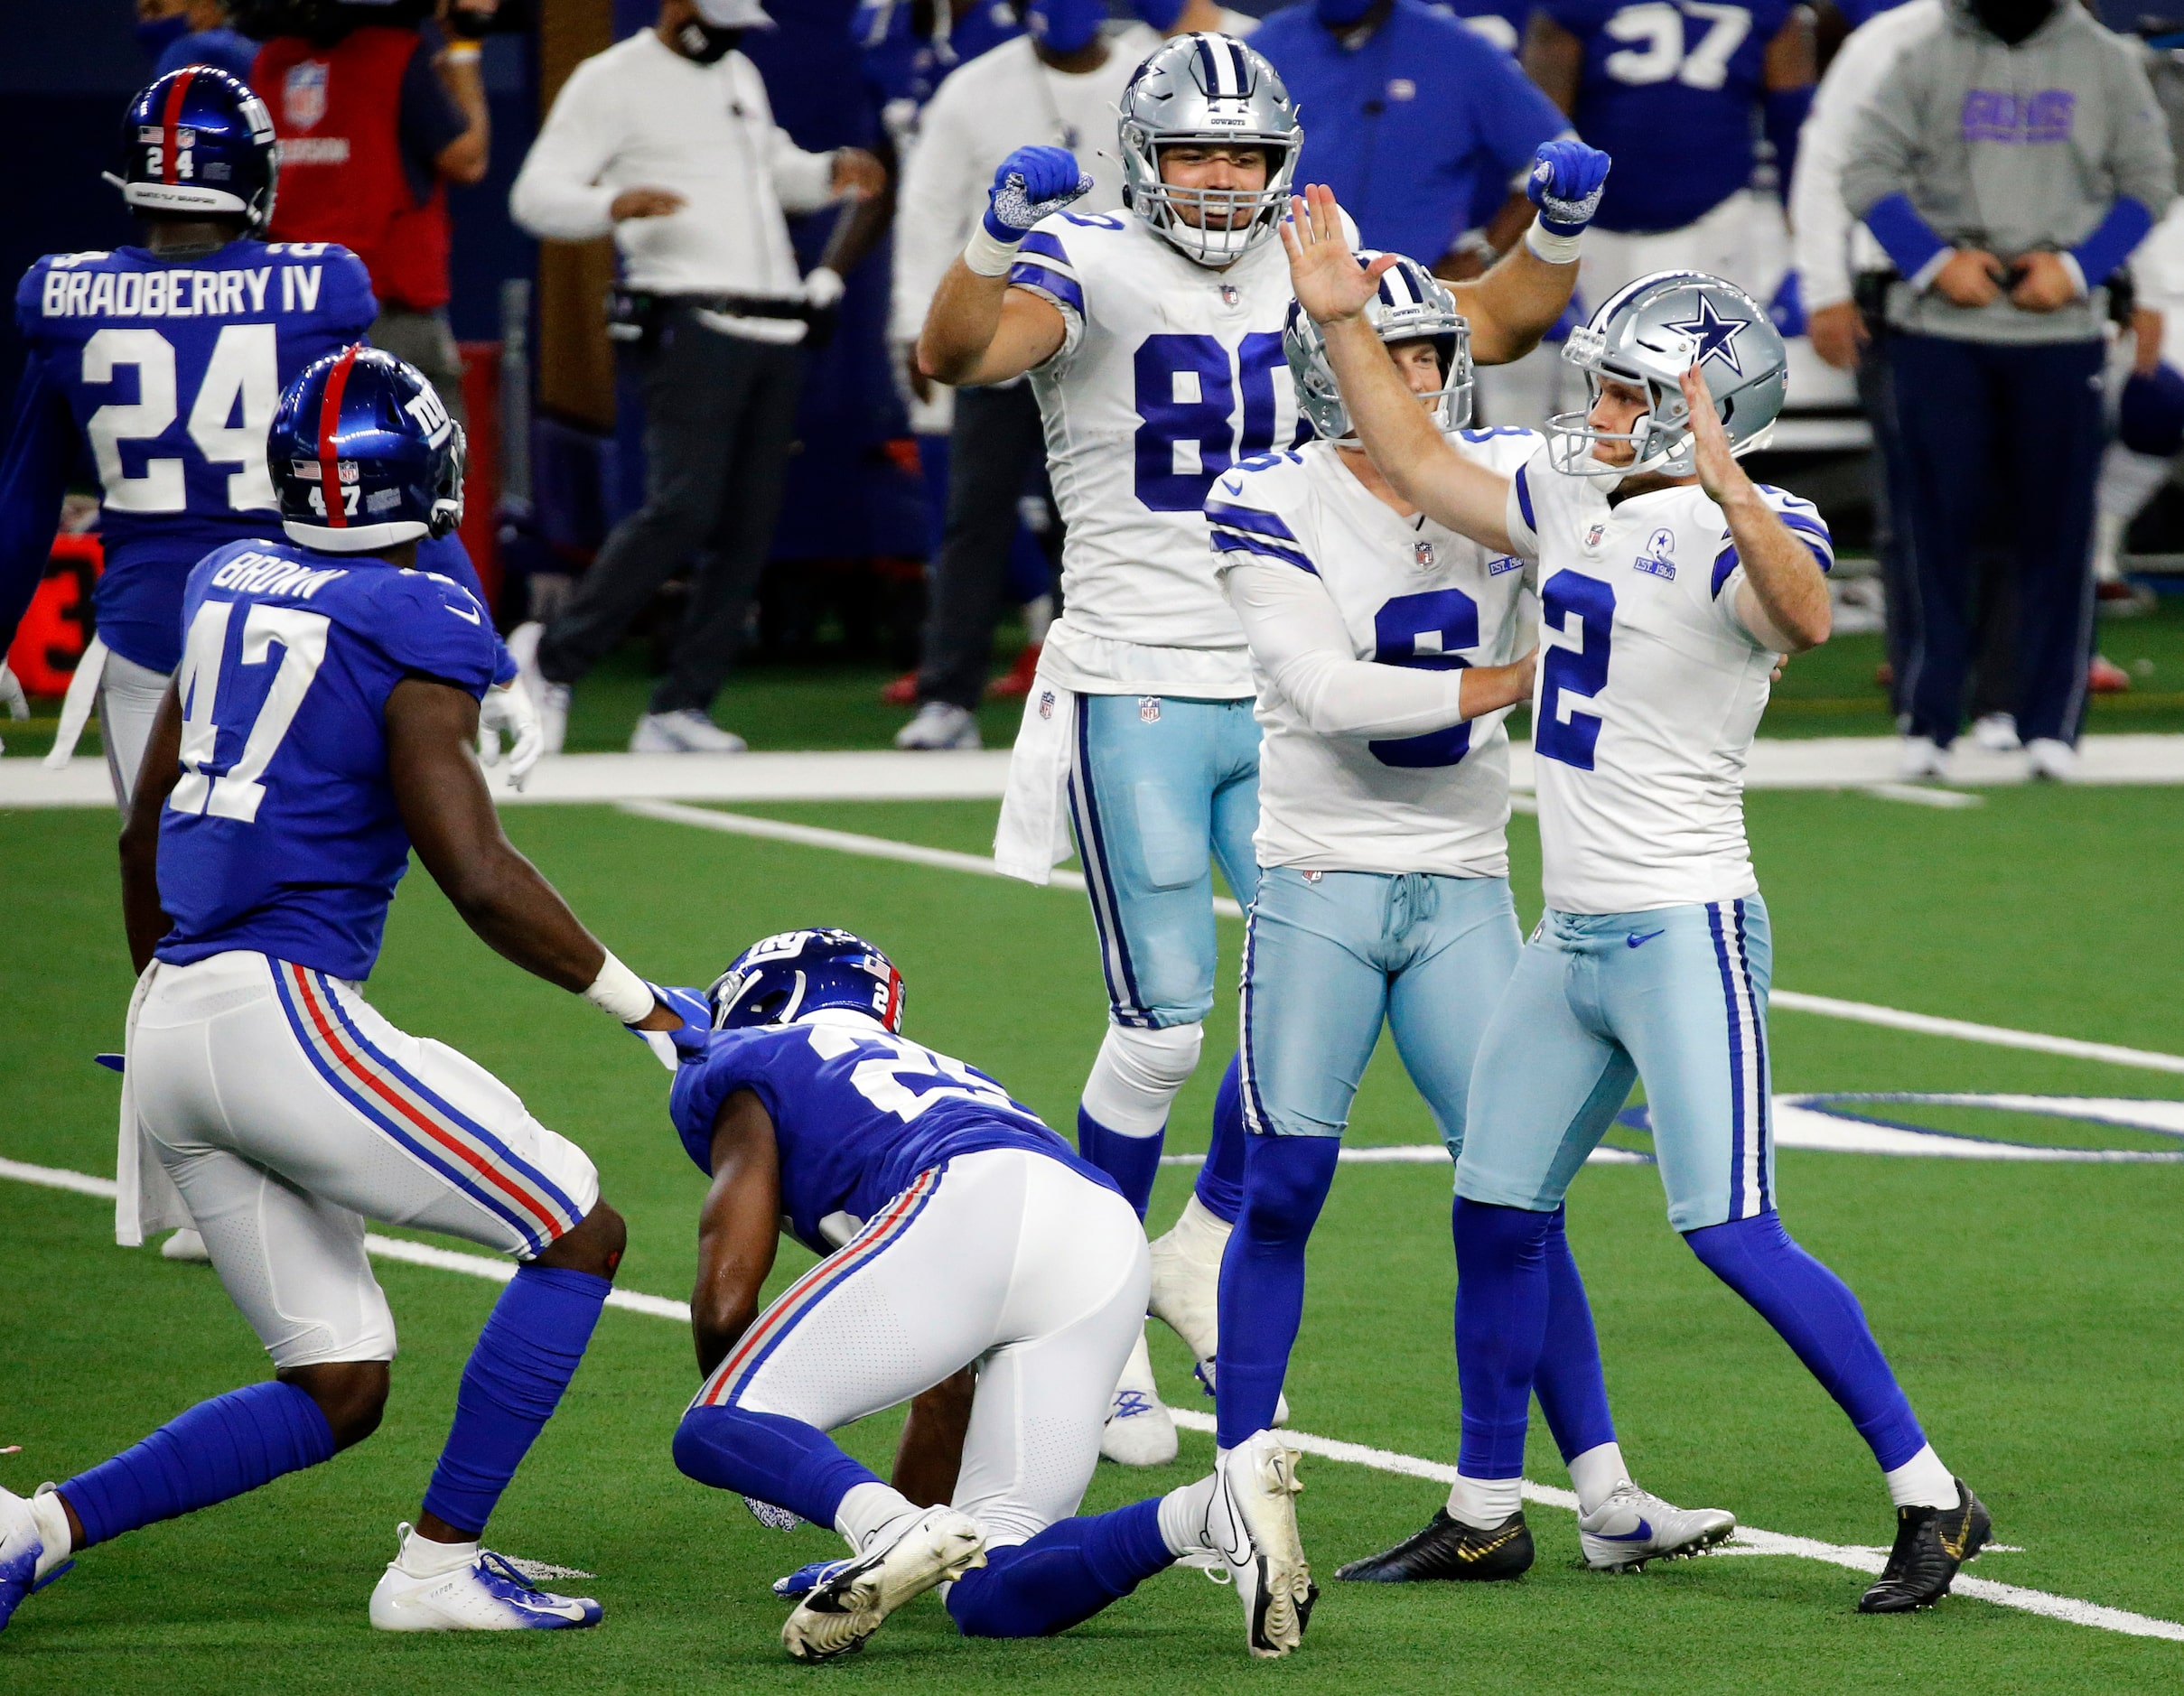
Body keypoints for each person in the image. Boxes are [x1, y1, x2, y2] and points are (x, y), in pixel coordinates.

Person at [1287, 196, 1992, 1613]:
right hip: (1573, 934)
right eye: (1599, 383)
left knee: (1727, 1226)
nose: (1593, 409)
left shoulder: (1757, 523)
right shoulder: (1566, 494)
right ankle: (1487, 1508)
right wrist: (1339, 317)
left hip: (1682, 923)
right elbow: (1417, 455)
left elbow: (1799, 619)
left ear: (1704, 410)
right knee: (1492, 1213)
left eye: (1625, 390)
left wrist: (1729, 486)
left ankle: (1930, 1493)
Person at [927, 32, 1601, 1468]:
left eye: (1244, 152)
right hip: (1144, 675)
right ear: (1142, 155)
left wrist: (1554, 227)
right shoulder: (1085, 254)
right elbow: (962, 353)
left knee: (1304, 1008)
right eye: (1195, 153)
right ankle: (1087, 1321)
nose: (1223, 180)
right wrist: (990, 236)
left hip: (1297, 685)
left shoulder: (1322, 242)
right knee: (1165, 1023)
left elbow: (1492, 322)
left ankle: (1201, 1242)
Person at [0, 347, 684, 1635]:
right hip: (277, 1009)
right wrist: (640, 1003)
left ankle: (37, 1526)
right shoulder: (415, 614)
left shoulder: (218, 579)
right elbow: (474, 872)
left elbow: (141, 828)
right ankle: (433, 1568)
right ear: (429, 476)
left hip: (174, 1011)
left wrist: (162, 997)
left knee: (337, 1380)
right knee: (577, 1229)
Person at [1207, 249, 1735, 1594]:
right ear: (1323, 372)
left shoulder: (1512, 473)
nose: (1424, 378)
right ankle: (1234, 1489)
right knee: (1284, 1190)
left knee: (1520, 1203)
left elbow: (1657, 516)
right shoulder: (1263, 494)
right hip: (1319, 876)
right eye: (1396, 359)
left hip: (1460, 883)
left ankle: (1603, 1492)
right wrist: (1525, 671)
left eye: (1436, 353)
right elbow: (1326, 691)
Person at [0, 70, 536, 1264]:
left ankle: (176, 1164)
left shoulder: (63, 297)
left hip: (154, 635)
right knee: (315, 885)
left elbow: (26, 493)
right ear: (248, 174)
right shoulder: (316, 287)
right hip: (311, 624)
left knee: (169, 895)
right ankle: (291, 1132)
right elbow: (395, 488)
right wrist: (477, 639)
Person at [652, 927, 1290, 1662]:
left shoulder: (753, 1059)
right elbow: (946, 1383)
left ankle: (885, 1530)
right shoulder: (951, 1073)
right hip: (1100, 1230)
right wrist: (916, 1534)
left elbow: (728, 1295)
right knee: (990, 1585)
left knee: (715, 1424)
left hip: (970, 1200)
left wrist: (766, 1447)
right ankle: (1206, 1513)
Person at [507, 0, 886, 756]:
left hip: (771, 319)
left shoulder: (739, 71)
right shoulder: (610, 79)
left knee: (748, 526)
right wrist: (611, 202)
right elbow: (534, 195)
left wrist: (824, 173)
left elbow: (766, 172)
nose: (731, 36)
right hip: (688, 315)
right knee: (683, 506)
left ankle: (681, 706)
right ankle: (549, 663)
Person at [1841, 0, 2173, 781]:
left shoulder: (2104, 60)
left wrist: (2079, 269)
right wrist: (1931, 261)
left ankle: (2048, 722)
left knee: (2057, 532)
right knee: (1934, 530)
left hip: (2059, 331)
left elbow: (2150, 180)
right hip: (1937, 327)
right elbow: (1865, 171)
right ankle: (1927, 719)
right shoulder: (1924, 54)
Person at [885, 0, 1159, 752]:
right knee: (975, 516)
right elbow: (926, 209)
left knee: (1112, 517)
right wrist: (915, 327)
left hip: (1122, 340)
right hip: (1016, 329)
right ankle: (948, 696)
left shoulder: (1153, 71)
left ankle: (1117, 690)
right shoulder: (975, 88)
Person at [253, 0, 504, 430]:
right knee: (423, 473)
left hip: (285, 305)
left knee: (297, 465)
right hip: (383, 309)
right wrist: (464, 46)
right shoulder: (396, 53)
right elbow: (468, 160)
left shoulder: (270, 61)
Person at [1788, 0, 1937, 720]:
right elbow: (1830, 163)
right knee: (1921, 500)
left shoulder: (2081, 45)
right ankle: (1926, 682)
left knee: (2039, 504)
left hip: (2047, 297)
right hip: (1910, 296)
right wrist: (1827, 285)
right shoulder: (1895, 39)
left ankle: (2022, 698)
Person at [1523, 0, 1815, 312]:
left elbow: (1794, 128)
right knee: (1590, 350)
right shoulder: (1567, 13)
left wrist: (1808, 249)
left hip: (1717, 219)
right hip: (1596, 226)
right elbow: (1542, 130)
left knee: (1710, 353)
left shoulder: (1777, 14)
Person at [1249, 0, 1569, 277]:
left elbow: (1559, 160)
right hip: (1283, 288)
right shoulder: (1263, 48)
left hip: (1417, 305)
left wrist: (1485, 253)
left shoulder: (1452, 47)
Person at [137, 0, 257, 82]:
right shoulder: (255, 50)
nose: (147, 21)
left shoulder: (188, 49)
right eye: (143, 13)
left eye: (157, 10)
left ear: (204, 7)